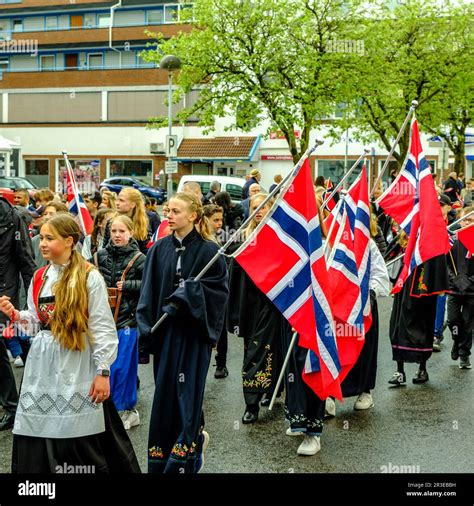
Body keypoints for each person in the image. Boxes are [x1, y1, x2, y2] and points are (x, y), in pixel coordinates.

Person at [0, 214, 140, 472]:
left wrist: (103, 372)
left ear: (69, 241)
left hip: (78, 360)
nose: (41, 243)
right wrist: (17, 316)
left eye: (49, 238)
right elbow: (36, 324)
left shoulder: (89, 276)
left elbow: (102, 328)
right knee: (39, 427)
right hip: (44, 366)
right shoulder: (40, 276)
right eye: (41, 237)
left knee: (82, 431)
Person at [136, 192, 229, 474]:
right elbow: (147, 292)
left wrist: (189, 295)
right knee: (166, 395)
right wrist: (146, 329)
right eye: (168, 211)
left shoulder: (210, 253)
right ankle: (164, 456)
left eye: (176, 211)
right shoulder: (158, 249)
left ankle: (184, 459)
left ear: (193, 216)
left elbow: (218, 294)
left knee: (187, 393)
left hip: (192, 335)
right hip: (165, 334)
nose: (170, 215)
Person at [227, 193, 284, 424]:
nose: (259, 210)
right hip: (250, 308)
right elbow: (235, 279)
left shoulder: (281, 239)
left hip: (275, 306)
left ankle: (272, 390)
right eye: (255, 206)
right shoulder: (242, 239)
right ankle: (251, 402)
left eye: (264, 206)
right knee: (252, 354)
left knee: (276, 352)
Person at [93, 215, 146, 429]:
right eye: (113, 231)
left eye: (122, 231)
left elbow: (150, 284)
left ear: (131, 233)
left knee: (123, 368)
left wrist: (129, 285)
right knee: (103, 367)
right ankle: (105, 410)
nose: (117, 235)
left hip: (128, 321)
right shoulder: (98, 256)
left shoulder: (140, 258)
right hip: (102, 321)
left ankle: (127, 411)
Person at [340, 239, 390, 409]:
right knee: (339, 348)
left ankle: (365, 391)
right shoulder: (331, 237)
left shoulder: (366, 241)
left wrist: (372, 291)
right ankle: (331, 395)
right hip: (338, 304)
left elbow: (379, 271)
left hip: (364, 304)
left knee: (364, 347)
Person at [0, 197, 36, 431]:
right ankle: (12, 404)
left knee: (26, 344)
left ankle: (18, 403)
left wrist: (34, 299)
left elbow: (25, 260)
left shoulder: (11, 216)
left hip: (4, 292)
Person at [388, 248, 449, 386]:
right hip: (403, 286)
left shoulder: (432, 239)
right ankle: (399, 371)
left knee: (422, 326)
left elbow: (439, 263)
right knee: (398, 326)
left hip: (423, 289)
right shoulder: (405, 239)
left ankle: (422, 368)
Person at [203, 204, 229, 378]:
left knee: (221, 326)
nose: (219, 223)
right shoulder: (203, 240)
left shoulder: (226, 238)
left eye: (221, 219)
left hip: (221, 289)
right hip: (205, 291)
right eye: (215, 220)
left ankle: (221, 363)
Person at [446, 207, 474, 369]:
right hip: (454, 289)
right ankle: (456, 341)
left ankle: (465, 355)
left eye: (471, 220)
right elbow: (446, 264)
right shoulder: (453, 240)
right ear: (460, 221)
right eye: (465, 220)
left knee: (467, 323)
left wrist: (469, 281)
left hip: (471, 291)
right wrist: (454, 279)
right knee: (453, 321)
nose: (467, 223)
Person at [102, 189, 150, 255]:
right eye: (117, 199)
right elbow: (105, 248)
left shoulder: (143, 224)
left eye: (121, 200)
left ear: (133, 205)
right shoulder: (111, 222)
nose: (117, 203)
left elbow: (146, 252)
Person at [30, 201, 69, 269]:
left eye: (51, 214)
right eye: (45, 214)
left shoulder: (67, 240)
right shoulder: (34, 241)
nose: (47, 217)